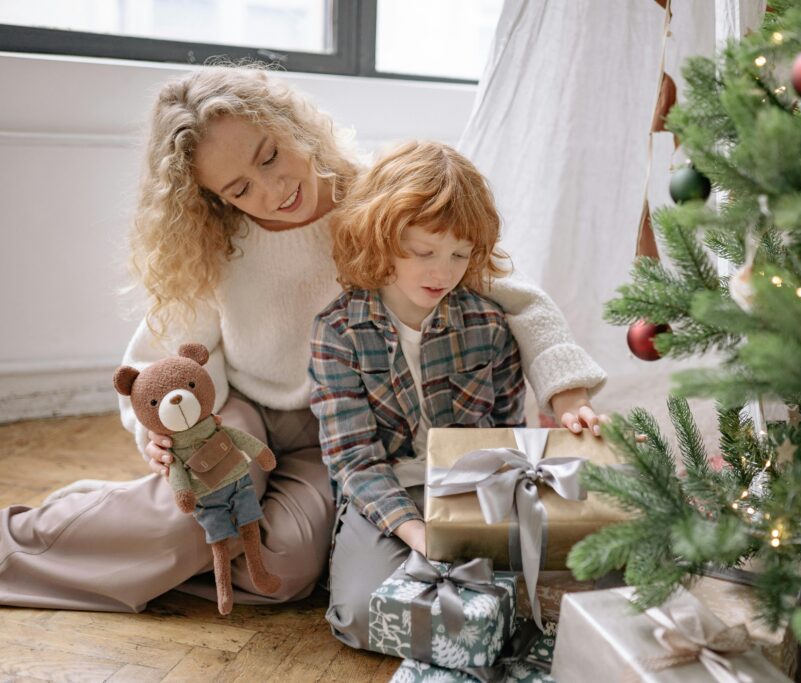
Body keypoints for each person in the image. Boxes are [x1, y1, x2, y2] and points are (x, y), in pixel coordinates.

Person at [0, 65, 606, 613]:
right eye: (238, 188)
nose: (270, 191)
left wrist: (567, 393)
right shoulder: (217, 245)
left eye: (269, 156)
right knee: (195, 519)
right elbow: (162, 360)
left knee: (286, 571)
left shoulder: (376, 197)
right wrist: (157, 433)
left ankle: (169, 551)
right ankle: (21, 543)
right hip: (242, 412)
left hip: (337, 429)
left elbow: (515, 292)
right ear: (214, 200)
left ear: (292, 125)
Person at [310, 141, 533, 647]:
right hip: (384, 494)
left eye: (460, 254)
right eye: (425, 252)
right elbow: (353, 461)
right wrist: (417, 535)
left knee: (538, 583)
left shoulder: (488, 324)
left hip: (470, 488)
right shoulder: (339, 331)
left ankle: (483, 628)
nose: (444, 272)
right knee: (361, 617)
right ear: (381, 239)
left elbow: (506, 432)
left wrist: (483, 520)